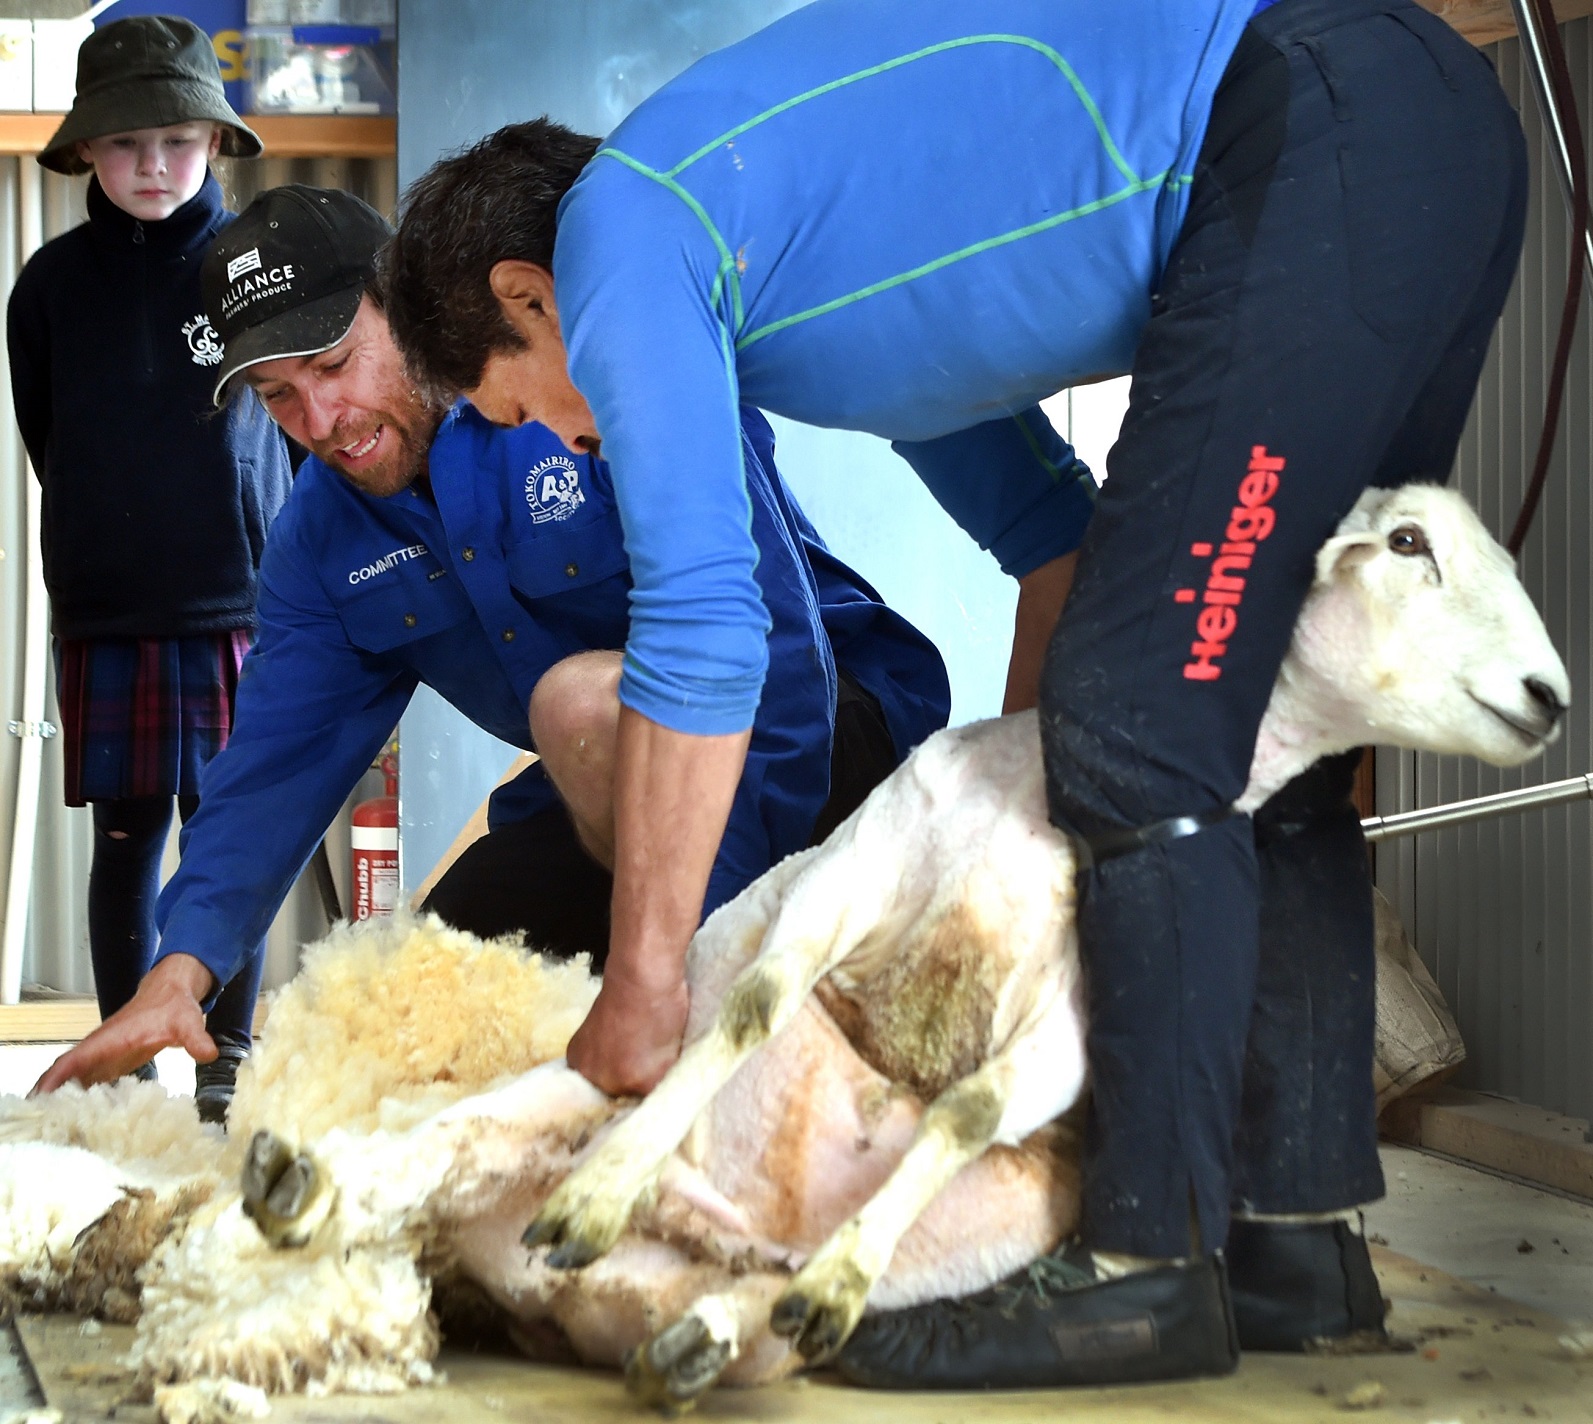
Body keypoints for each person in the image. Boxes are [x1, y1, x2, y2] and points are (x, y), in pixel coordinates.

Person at [379, 0, 1529, 1388]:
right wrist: (994, 884)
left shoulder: (621, 233)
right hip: (1431, 126)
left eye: (518, 406)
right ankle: (1291, 1245)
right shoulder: (822, 269)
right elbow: (1054, 544)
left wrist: (644, 988)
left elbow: (702, 624)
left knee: (1146, 714)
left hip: (1303, 122)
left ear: (526, 297)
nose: (565, 435)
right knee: (1242, 703)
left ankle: (1138, 1271)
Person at [32, 185, 951, 1109]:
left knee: (577, 707)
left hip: (816, 728)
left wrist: (709, 945)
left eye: (335, 362)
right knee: (415, 1007)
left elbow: (776, 652)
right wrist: (175, 974)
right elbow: (271, 763)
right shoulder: (318, 539)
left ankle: (705, 1036)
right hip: (610, 788)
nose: (320, 422)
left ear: (405, 304)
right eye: (279, 396)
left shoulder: (566, 387)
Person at [7, 15, 292, 1123]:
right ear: (84, 151)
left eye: (177, 139)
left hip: (237, 597)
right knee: (123, 842)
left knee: (233, 837)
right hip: (108, 602)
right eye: (127, 144)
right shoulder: (46, 288)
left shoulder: (255, 267)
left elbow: (291, 422)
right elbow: (47, 434)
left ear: (215, 145)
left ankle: (232, 1058)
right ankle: (125, 1061)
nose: (154, 165)